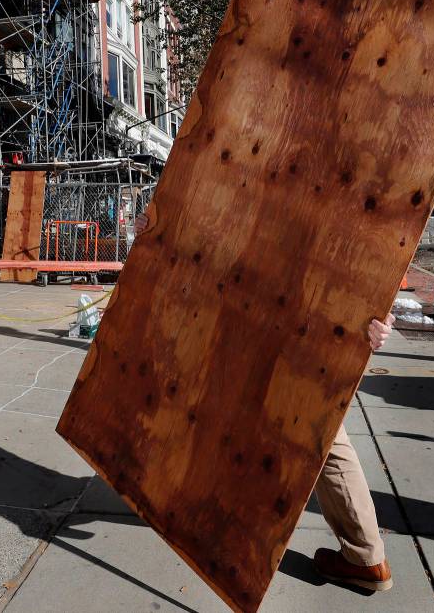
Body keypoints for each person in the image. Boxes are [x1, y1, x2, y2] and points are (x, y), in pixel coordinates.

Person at [133, 213, 395, 592]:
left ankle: (235, 537)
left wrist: (378, 318)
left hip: (283, 311)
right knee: (320, 430)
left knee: (312, 429)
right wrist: (156, 227)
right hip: (295, 311)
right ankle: (365, 556)